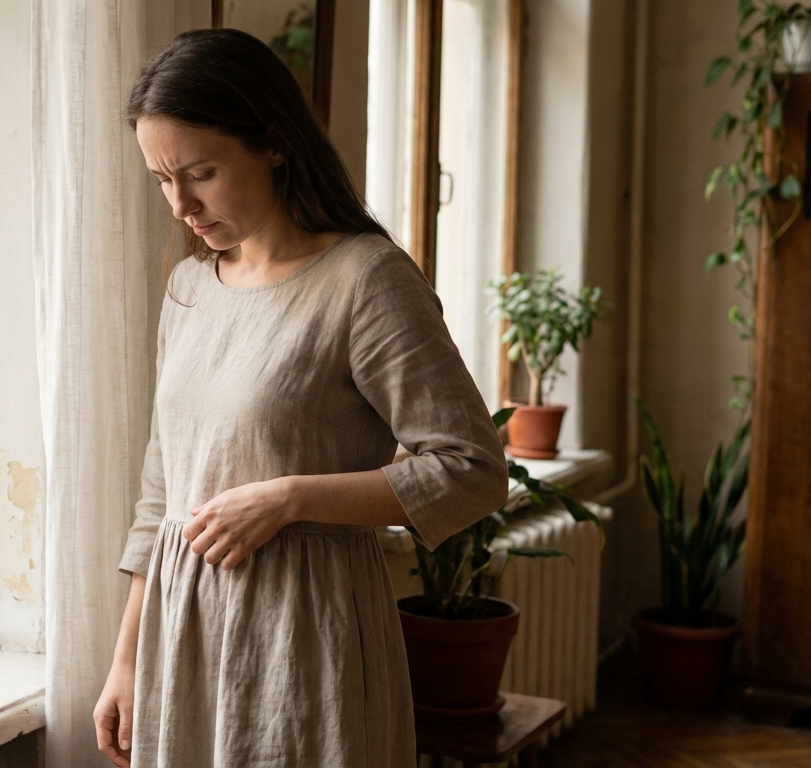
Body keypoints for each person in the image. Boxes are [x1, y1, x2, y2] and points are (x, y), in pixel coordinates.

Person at [93, 28, 509, 768]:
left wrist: (288, 499)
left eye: (201, 173)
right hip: (182, 639)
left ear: (275, 144)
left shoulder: (366, 281)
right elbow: (162, 491)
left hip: (305, 637)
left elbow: (471, 469)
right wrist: (127, 660)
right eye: (161, 179)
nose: (181, 203)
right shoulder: (189, 287)